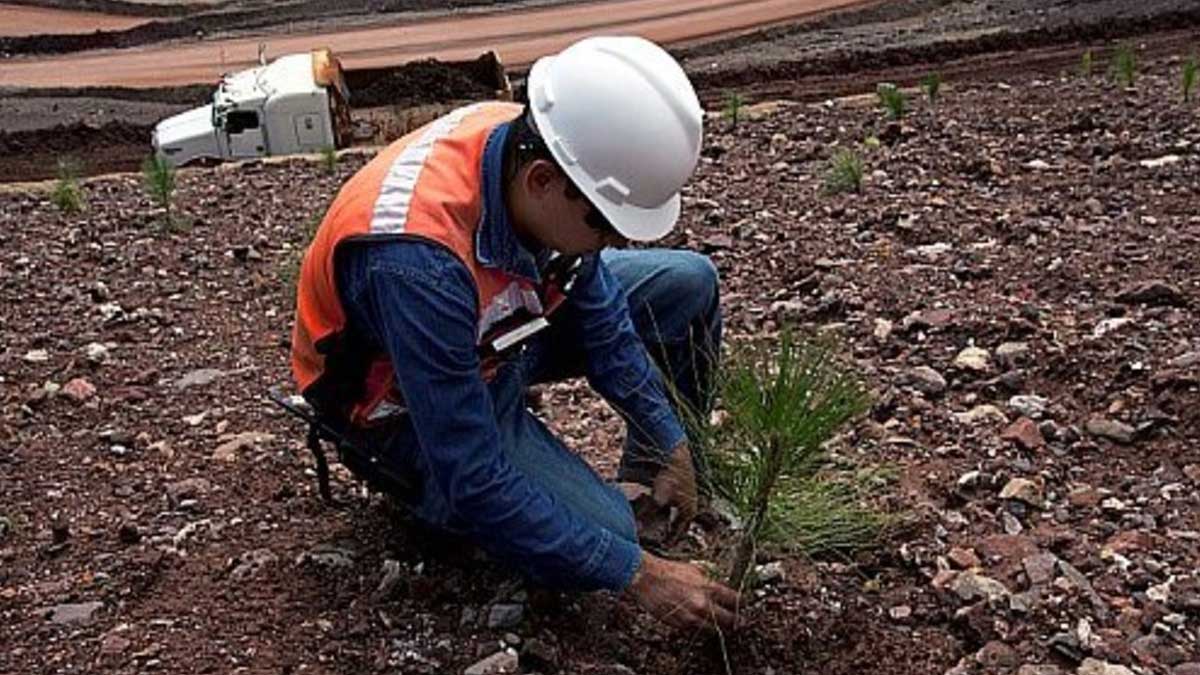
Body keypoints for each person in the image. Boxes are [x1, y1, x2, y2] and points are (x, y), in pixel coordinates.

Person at [291, 35, 739, 632]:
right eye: (606, 226)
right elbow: (472, 475)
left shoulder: (542, 142)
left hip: (495, 331)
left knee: (688, 283)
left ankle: (652, 482)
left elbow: (596, 304)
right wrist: (638, 572)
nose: (616, 242)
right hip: (400, 405)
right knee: (605, 539)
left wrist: (668, 436)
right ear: (541, 181)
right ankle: (429, 500)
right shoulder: (414, 261)